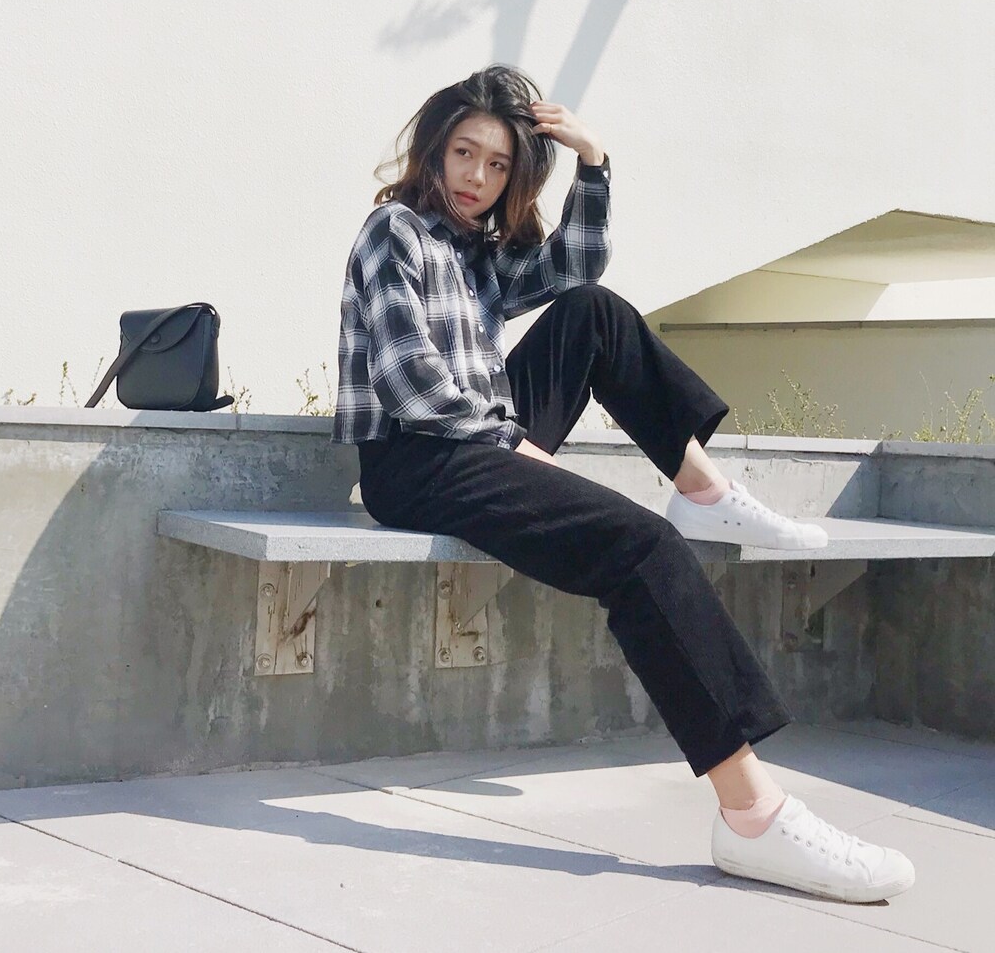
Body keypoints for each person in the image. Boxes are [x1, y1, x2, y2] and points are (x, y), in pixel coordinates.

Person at [334, 64, 914, 903]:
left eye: (497, 165)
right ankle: (753, 816)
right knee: (642, 548)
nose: (476, 178)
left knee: (594, 310)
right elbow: (410, 382)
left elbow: (574, 269)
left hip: (478, 438)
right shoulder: (394, 232)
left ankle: (704, 490)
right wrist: (513, 444)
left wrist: (594, 163)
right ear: (434, 148)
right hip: (415, 457)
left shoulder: (477, 248)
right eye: (464, 153)